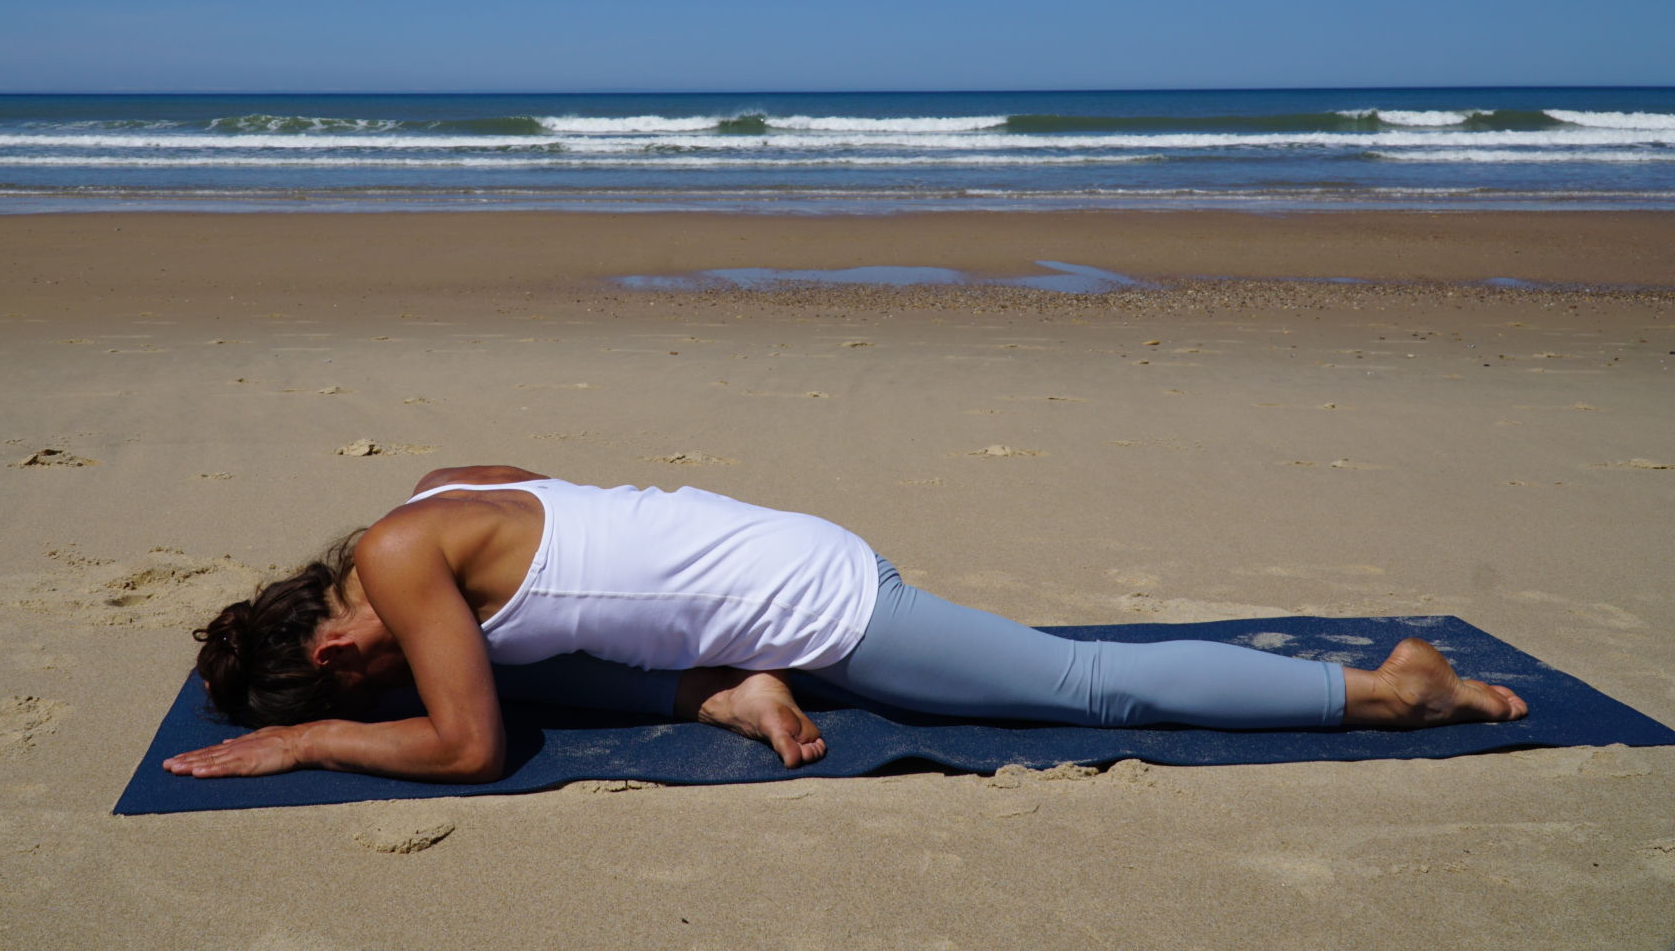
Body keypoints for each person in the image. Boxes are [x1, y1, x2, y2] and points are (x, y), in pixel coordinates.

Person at [164, 465, 1527, 783]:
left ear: (330, 646)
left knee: (1083, 687)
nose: (360, 690)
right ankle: (727, 692)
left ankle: (1393, 691)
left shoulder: (401, 569)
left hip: (820, 601)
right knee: (545, 665)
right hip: (756, 554)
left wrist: (316, 744)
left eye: (340, 686)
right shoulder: (416, 509)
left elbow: (464, 748)